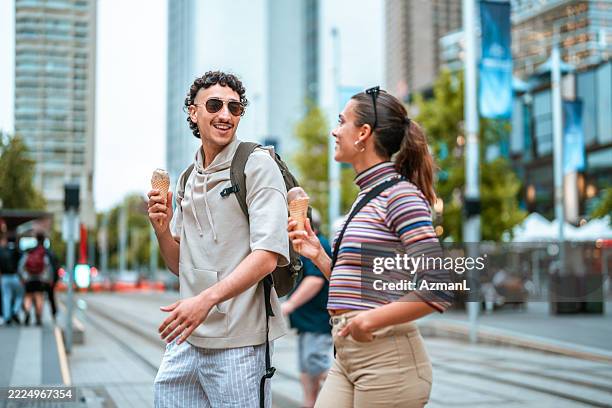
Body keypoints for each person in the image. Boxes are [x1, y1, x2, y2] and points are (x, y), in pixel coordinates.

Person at [288, 87, 453, 408]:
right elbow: (361, 285)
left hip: (388, 361)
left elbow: (438, 287)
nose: (334, 131)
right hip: (348, 355)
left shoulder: (400, 196)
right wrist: (319, 256)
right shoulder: (366, 197)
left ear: (363, 133)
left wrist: (369, 320)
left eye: (342, 122)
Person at [148, 71, 289, 408]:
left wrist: (205, 300)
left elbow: (267, 254)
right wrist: (161, 228)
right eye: (214, 105)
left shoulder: (257, 166)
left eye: (235, 107)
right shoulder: (185, 178)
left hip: (239, 345)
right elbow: (178, 264)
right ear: (193, 112)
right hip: (186, 337)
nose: (225, 115)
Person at [281, 209, 332, 408]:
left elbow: (315, 279)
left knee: (317, 366)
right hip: (307, 322)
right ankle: (309, 403)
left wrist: (290, 304)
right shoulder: (302, 246)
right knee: (307, 368)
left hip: (317, 322)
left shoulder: (318, 245)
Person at [19, 233, 52, 326]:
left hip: (28, 278)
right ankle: (38, 317)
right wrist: (48, 278)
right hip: (40, 279)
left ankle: (27, 312)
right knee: (39, 297)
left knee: (28, 297)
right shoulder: (43, 253)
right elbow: (47, 266)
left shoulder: (30, 251)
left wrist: (23, 277)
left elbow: (21, 265)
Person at [0, 230, 24, 326]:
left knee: (6, 297)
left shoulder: (1, 250)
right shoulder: (18, 251)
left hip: (5, 277)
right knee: (20, 295)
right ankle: (15, 310)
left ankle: (7, 317)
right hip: (16, 277)